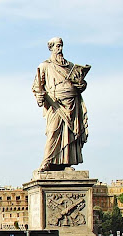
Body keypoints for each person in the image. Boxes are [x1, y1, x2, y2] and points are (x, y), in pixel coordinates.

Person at [32, 37, 90, 172]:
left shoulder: (70, 66)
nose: (60, 49)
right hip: (55, 104)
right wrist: (39, 96)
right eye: (57, 46)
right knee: (53, 132)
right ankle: (47, 161)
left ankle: (65, 163)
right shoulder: (45, 66)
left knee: (69, 134)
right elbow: (36, 87)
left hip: (72, 103)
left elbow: (80, 84)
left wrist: (81, 84)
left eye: (61, 46)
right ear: (51, 48)